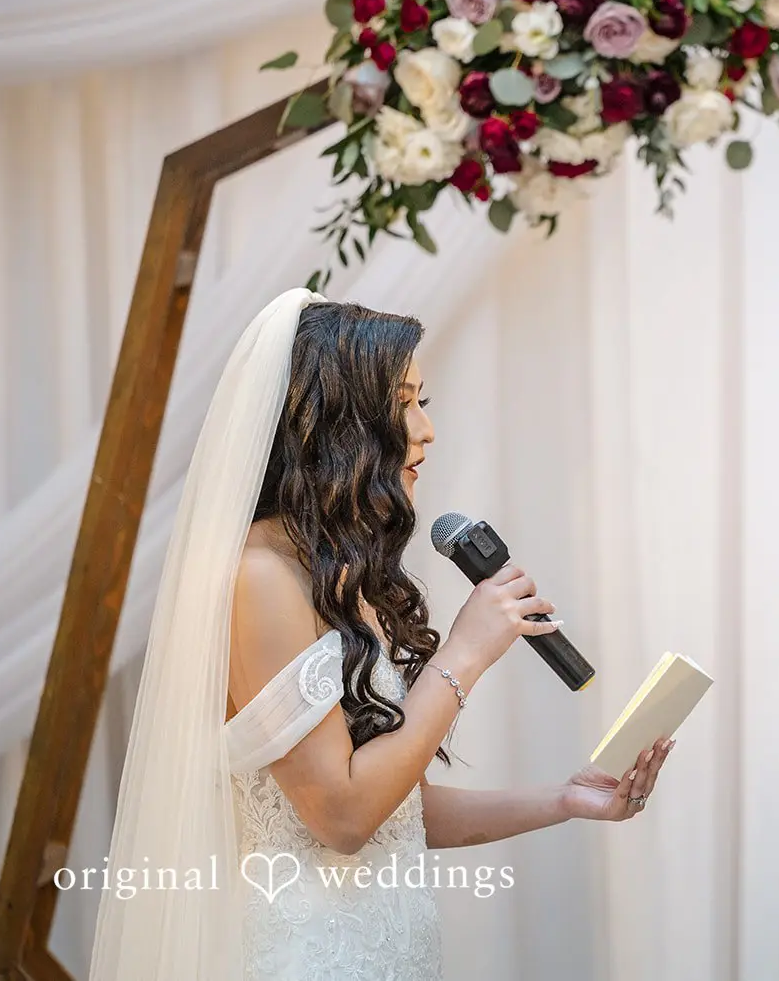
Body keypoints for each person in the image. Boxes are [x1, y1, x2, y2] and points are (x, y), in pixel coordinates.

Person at [90, 290, 672, 980]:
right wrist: (463, 654)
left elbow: (395, 812)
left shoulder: (331, 578)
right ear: (337, 422)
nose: (425, 429)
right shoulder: (259, 578)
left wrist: (564, 800)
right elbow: (341, 814)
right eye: (405, 402)